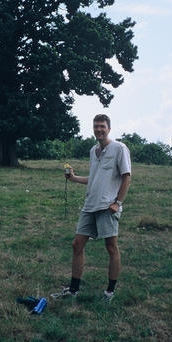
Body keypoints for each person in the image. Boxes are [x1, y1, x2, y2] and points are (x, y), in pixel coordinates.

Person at [51, 114, 132, 302]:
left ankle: (109, 292)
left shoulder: (119, 148)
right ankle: (73, 290)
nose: (99, 129)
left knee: (111, 247)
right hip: (89, 205)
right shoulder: (93, 150)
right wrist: (73, 178)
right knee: (77, 244)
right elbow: (93, 179)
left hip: (107, 206)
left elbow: (127, 176)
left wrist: (117, 203)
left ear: (109, 128)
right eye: (96, 126)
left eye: (102, 126)